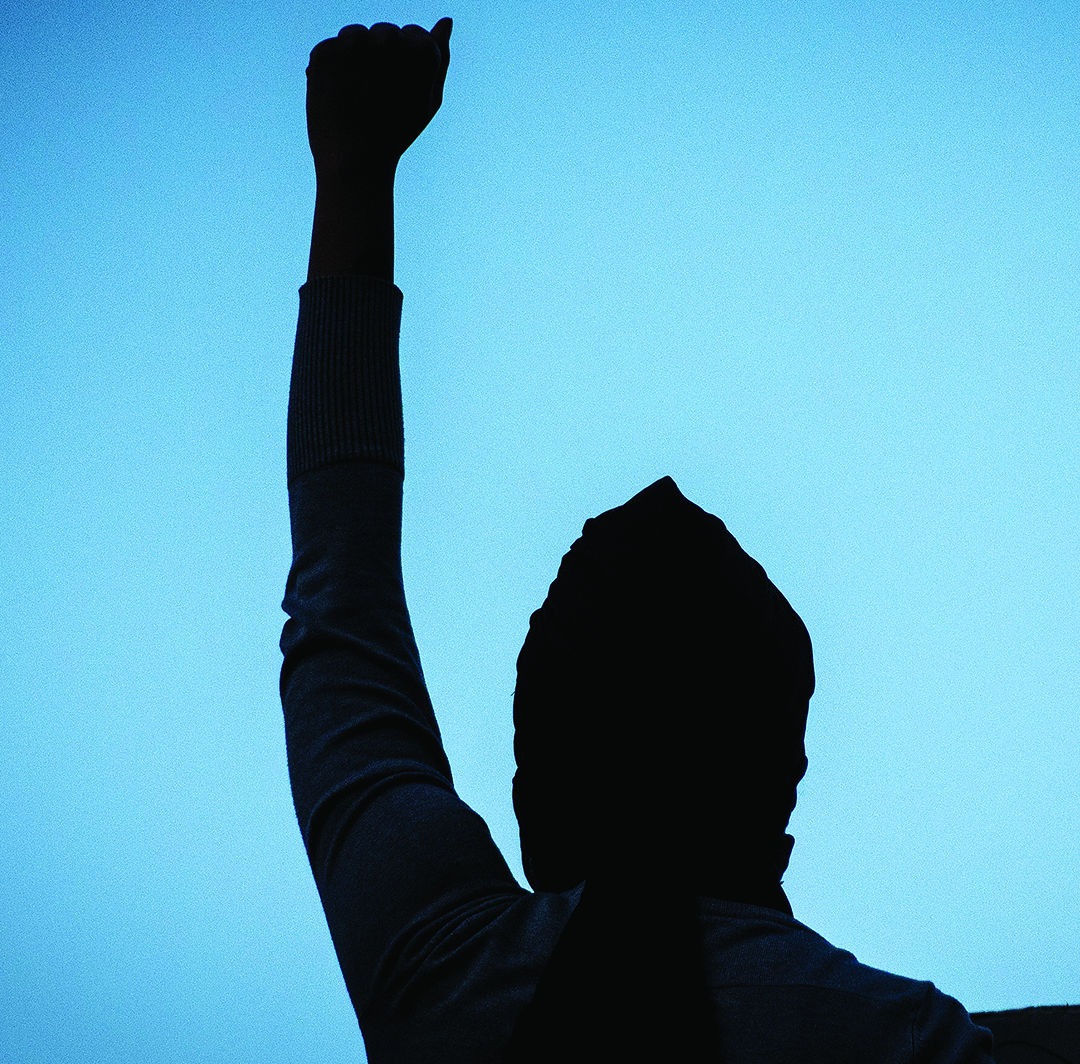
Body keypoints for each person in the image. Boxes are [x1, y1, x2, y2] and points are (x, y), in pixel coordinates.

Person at [281, 19, 997, 1063]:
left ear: (531, 792)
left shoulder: (440, 969)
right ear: (778, 791)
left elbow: (340, 591)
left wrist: (352, 173)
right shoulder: (910, 1043)